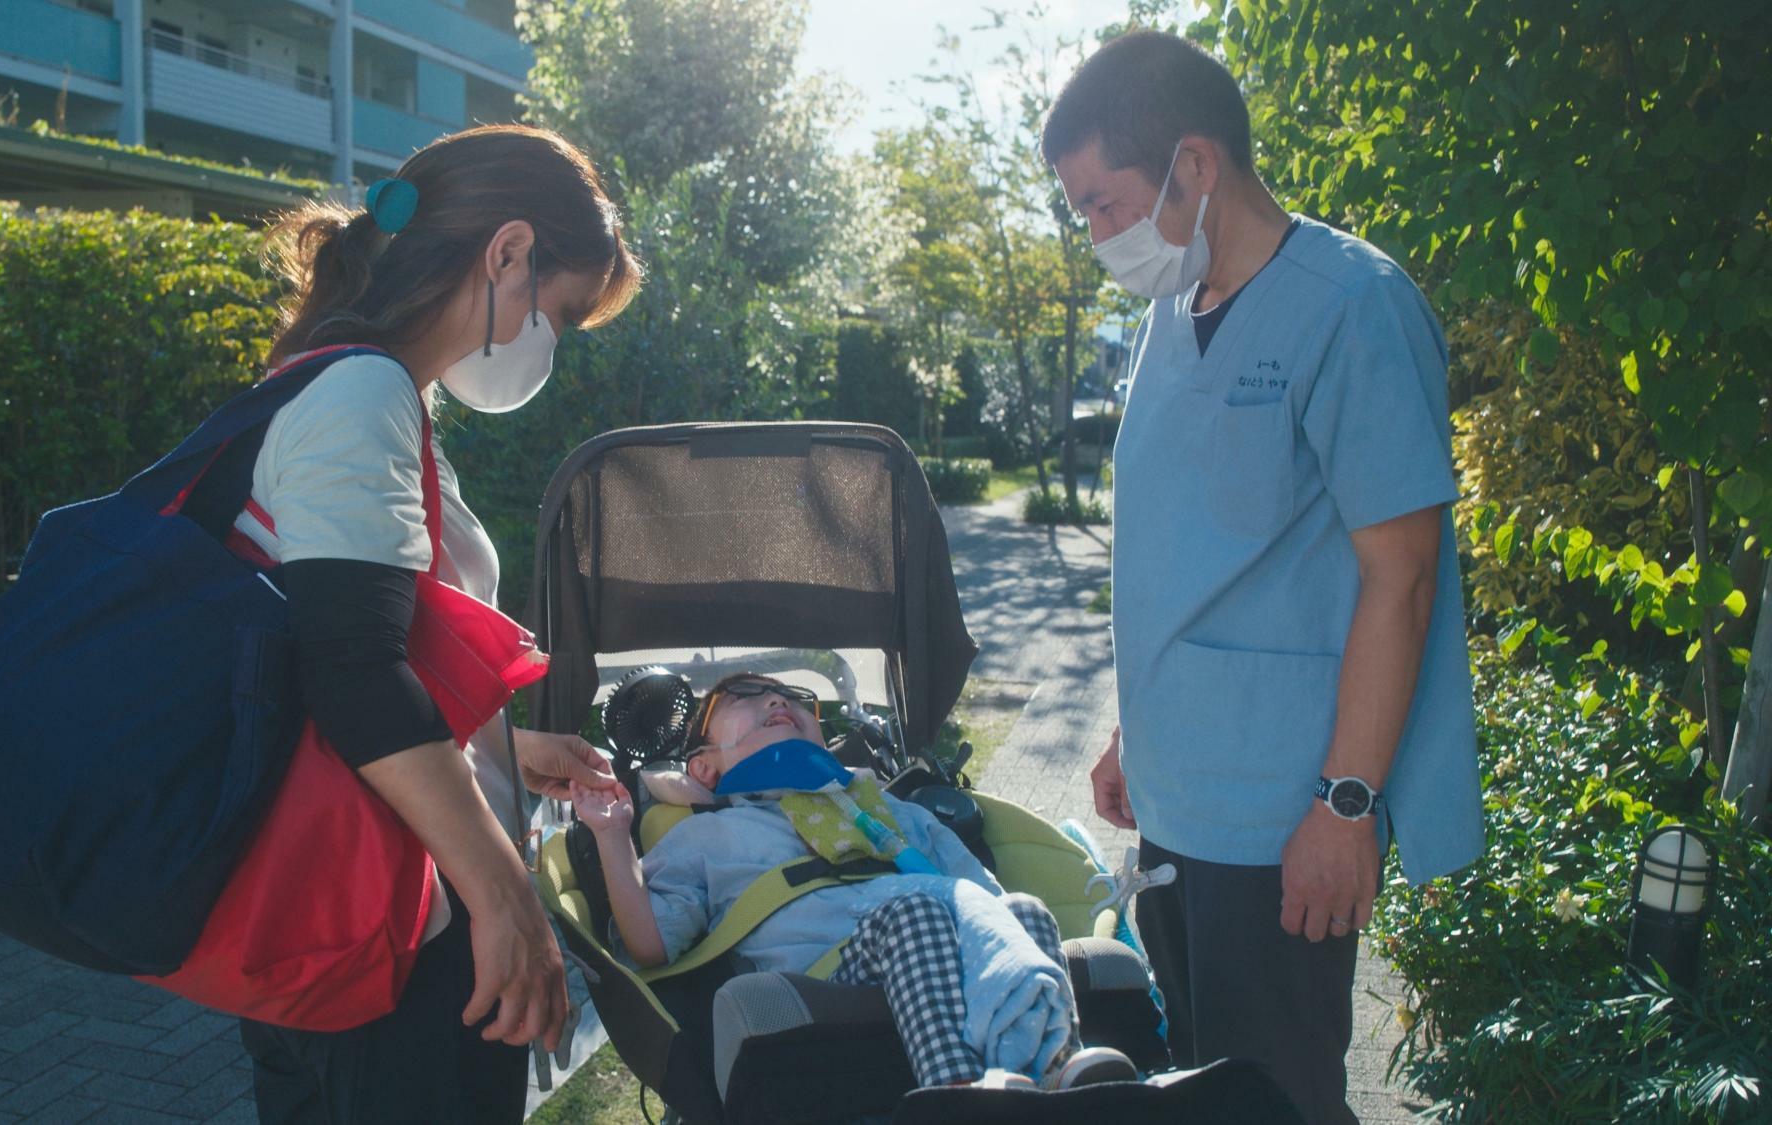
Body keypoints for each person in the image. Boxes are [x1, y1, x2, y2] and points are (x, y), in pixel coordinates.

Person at [1041, 31, 1484, 1124]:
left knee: (1271, 1099)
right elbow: (1181, 550)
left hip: (1282, 812)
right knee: (1191, 1084)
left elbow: (1404, 578)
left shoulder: (1350, 308)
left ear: (1194, 166)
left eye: (1102, 203)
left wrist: (1343, 807)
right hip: (1176, 804)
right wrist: (1126, 730)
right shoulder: (1167, 312)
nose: (1094, 234)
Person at [232, 124, 641, 1124]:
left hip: (369, 904)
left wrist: (510, 745)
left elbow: (363, 653)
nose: (553, 340)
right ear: (506, 252)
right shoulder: (360, 392)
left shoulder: (370, 391)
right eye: (561, 310)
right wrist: (506, 900)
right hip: (400, 921)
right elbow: (354, 676)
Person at [572, 672, 1136, 1092]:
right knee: (914, 915)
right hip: (827, 967)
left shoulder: (899, 815)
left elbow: (986, 899)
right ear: (704, 768)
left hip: (939, 929)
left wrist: (1000, 920)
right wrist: (613, 836)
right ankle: (957, 1092)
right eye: (744, 698)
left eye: (796, 700)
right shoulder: (706, 837)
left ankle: (1060, 1072)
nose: (778, 701)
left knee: (1027, 912)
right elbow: (650, 945)